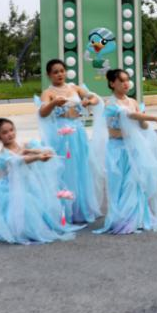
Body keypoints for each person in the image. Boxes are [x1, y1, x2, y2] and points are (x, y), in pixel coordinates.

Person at [91, 69, 157, 234]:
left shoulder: (133, 102)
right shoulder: (110, 105)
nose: (125, 83)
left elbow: (141, 124)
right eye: (121, 81)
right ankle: (121, 218)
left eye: (127, 80)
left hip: (134, 148)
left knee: (134, 182)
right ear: (112, 83)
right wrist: (153, 118)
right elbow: (114, 131)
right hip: (118, 149)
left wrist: (144, 121)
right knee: (119, 184)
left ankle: (138, 218)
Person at [0, 118, 81, 244]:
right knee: (26, 204)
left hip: (29, 182)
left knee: (38, 203)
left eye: (11, 130)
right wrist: (36, 157)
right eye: (5, 133)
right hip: (13, 187)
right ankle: (25, 230)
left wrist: (33, 151)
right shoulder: (3, 155)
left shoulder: (23, 146)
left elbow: (45, 151)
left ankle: (39, 226)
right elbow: (18, 161)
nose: (10, 134)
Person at [35, 58, 102, 223]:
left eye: (62, 71)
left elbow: (96, 99)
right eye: (55, 72)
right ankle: (64, 210)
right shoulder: (48, 92)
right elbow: (42, 112)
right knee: (64, 169)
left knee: (81, 167)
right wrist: (53, 104)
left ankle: (80, 207)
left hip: (77, 131)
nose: (59, 74)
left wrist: (88, 101)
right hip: (60, 134)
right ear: (49, 75)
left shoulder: (74, 87)